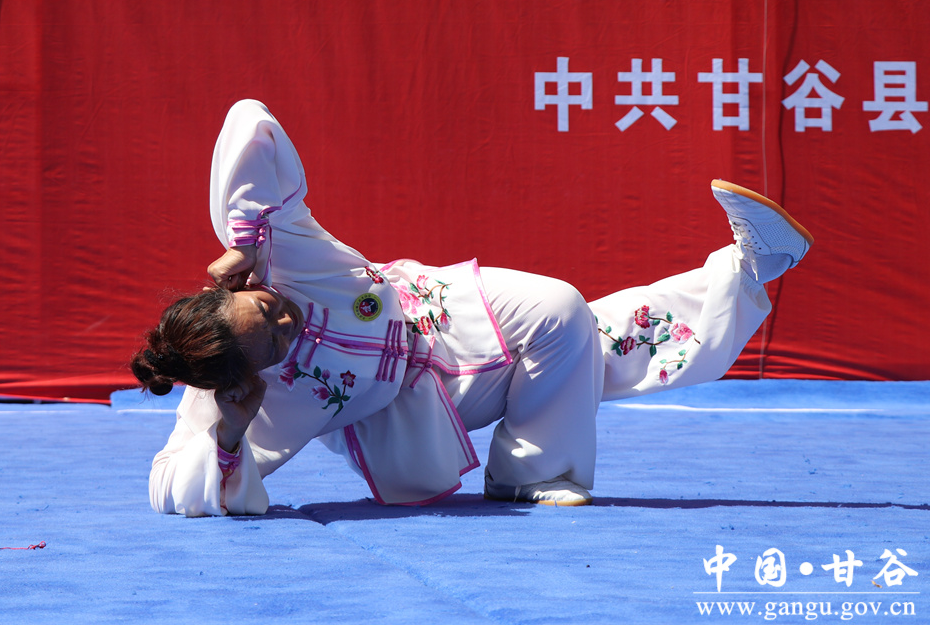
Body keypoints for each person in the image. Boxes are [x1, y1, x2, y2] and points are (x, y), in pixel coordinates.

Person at [132, 99, 813, 517]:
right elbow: (168, 487)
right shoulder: (241, 400)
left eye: (268, 309)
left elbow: (248, 121)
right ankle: (745, 273)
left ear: (231, 289)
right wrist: (229, 434)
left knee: (565, 316)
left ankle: (749, 271)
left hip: (442, 313)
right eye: (275, 342)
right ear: (245, 376)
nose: (288, 320)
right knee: (593, 344)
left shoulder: (278, 255)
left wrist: (244, 235)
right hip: (417, 411)